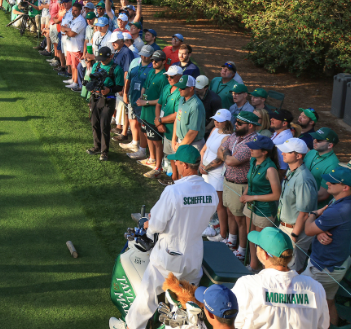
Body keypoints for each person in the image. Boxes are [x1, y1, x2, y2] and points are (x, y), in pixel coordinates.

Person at [109, 145, 218, 329]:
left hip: (168, 258)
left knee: (147, 294)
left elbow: (156, 225)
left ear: (184, 165)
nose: (175, 164)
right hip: (194, 257)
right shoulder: (210, 191)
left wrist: (148, 225)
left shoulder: (173, 191)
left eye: (176, 162)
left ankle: (131, 327)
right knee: (185, 302)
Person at [231, 227, 330, 329]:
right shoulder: (316, 288)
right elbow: (323, 325)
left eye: (257, 246)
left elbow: (234, 322)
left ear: (264, 254)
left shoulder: (247, 285)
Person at [302, 165, 351, 326]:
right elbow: (331, 227)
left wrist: (313, 215)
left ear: (345, 187)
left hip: (323, 267)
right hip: (336, 264)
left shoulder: (339, 209)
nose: (327, 183)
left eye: (332, 182)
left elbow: (308, 229)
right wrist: (320, 230)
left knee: (306, 306)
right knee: (328, 302)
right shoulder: (345, 202)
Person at [218, 110, 261, 259]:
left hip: (240, 185)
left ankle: (242, 250)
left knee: (240, 219)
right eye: (236, 121)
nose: (236, 125)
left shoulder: (252, 142)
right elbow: (221, 149)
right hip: (228, 180)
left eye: (240, 123)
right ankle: (232, 240)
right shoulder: (235, 135)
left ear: (250, 125)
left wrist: (225, 152)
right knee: (230, 212)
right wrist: (226, 151)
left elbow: (231, 161)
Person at [276, 138, 318, 273]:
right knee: (283, 266)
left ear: (298, 156)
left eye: (287, 152)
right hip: (286, 227)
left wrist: (294, 234)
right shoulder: (292, 171)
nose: (282, 154)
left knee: (293, 270)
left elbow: (304, 213)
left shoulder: (303, 180)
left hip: (295, 230)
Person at [242, 135, 281, 271]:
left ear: (264, 152)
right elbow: (250, 180)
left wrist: (253, 197)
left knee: (262, 243)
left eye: (254, 148)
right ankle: (253, 264)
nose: (250, 150)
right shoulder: (253, 161)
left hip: (264, 210)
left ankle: (265, 269)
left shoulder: (270, 169)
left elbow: (276, 194)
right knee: (251, 236)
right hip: (251, 205)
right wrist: (246, 193)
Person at [200, 109, 233, 242]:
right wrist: (201, 164)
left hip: (216, 174)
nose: (216, 122)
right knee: (208, 200)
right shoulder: (214, 130)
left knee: (219, 204)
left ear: (227, 122)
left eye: (219, 121)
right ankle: (212, 224)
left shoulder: (228, 137)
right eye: (215, 119)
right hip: (206, 171)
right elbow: (205, 148)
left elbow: (220, 159)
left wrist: (206, 168)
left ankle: (223, 233)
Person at [87, 46, 122, 161]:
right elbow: (92, 79)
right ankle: (97, 146)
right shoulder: (96, 66)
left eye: (104, 59)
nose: (102, 61)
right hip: (95, 98)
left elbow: (119, 86)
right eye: (100, 58)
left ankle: (104, 152)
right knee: (94, 123)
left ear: (110, 56)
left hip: (108, 99)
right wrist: (91, 88)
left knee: (104, 125)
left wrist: (109, 90)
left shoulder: (116, 69)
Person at [304, 128, 341, 209]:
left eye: (319, 140)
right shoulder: (311, 152)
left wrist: (300, 200)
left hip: (315, 210)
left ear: (330, 145)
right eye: (314, 138)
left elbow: (323, 194)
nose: (314, 141)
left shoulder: (333, 165)